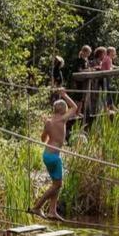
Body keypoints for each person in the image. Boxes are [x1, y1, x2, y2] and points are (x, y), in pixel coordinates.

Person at [31, 90, 79, 220]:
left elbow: (43, 138)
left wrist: (51, 135)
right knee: (58, 185)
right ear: (63, 110)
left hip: (47, 154)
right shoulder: (62, 119)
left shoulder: (49, 122)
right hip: (54, 157)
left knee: (55, 183)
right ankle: (37, 207)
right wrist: (64, 95)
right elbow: (74, 107)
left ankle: (52, 210)